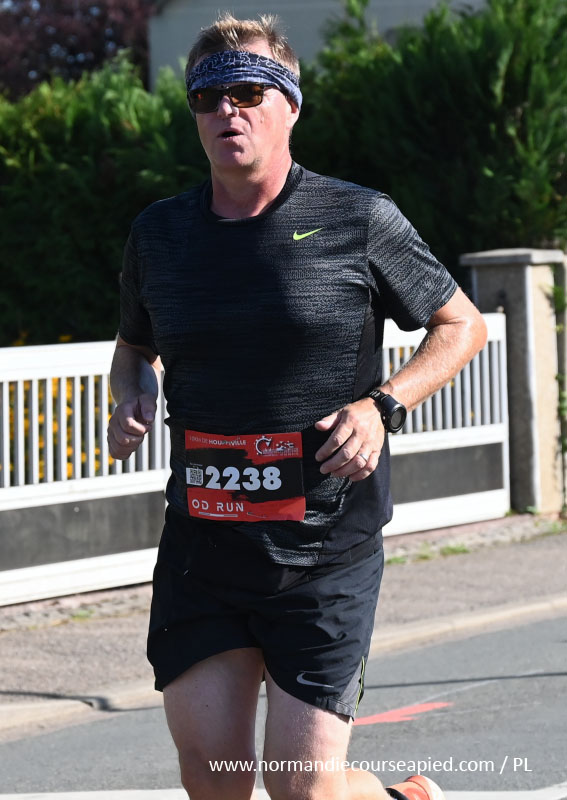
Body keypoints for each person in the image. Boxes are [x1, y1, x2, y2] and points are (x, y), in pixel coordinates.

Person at [107, 13, 487, 800]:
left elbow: (462, 325)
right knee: (214, 781)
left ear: (289, 105)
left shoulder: (358, 218)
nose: (227, 110)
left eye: (248, 93)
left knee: (302, 788)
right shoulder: (160, 233)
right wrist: (131, 388)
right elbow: (134, 346)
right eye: (207, 97)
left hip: (322, 550)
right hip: (204, 549)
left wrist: (382, 406)